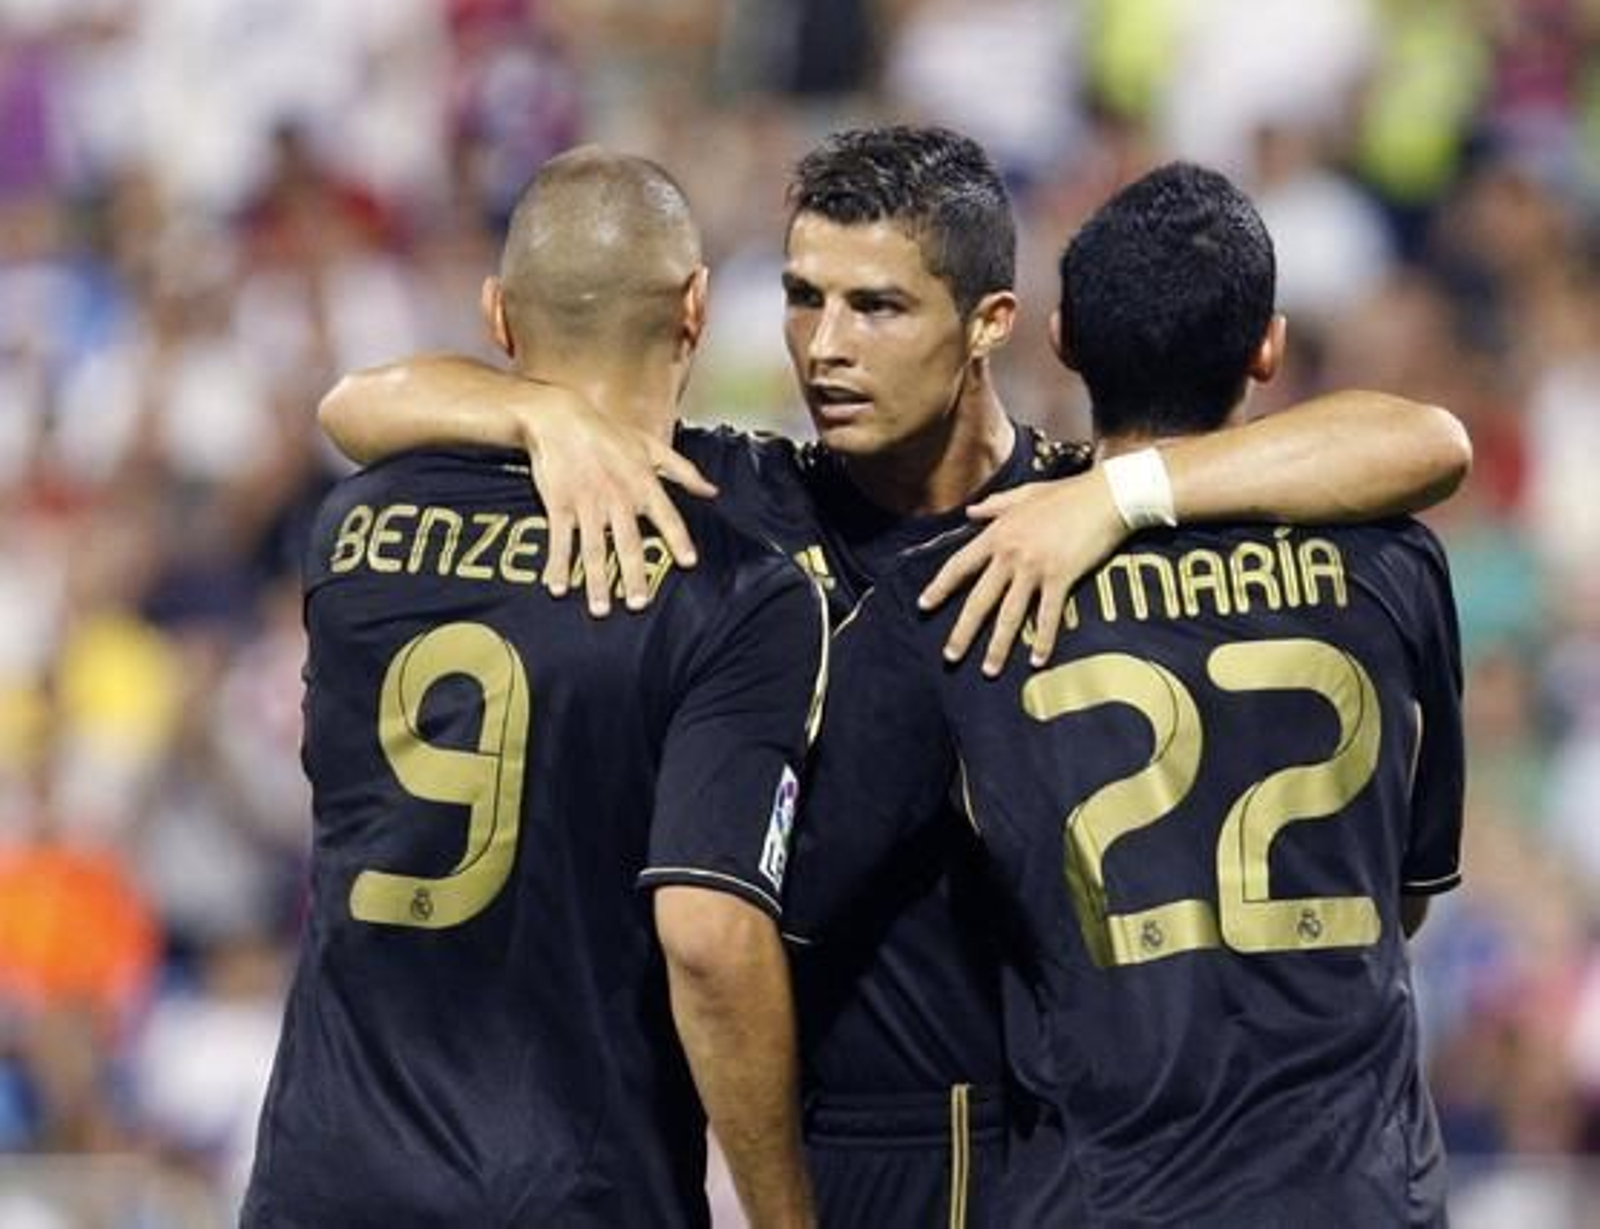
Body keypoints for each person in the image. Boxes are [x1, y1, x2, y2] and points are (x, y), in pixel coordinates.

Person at [316, 127, 1471, 1226]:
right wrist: (536, 412)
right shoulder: (730, 506)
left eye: (875, 305)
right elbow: (362, 405)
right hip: (842, 1142)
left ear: (992, 324)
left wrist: (1118, 498)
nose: (824, 345)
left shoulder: (1074, 514)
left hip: (1050, 1146)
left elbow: (1413, 444)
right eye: (802, 296)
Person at [790, 162, 1463, 1227]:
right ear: (1268, 347)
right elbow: (1409, 889)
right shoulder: (1391, 566)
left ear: (1056, 338)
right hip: (1363, 1189)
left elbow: (793, 901)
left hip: (1106, 1191)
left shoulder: (968, 593)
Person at [242, 149, 825, 1228]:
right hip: (568, 1189)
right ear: (695, 307)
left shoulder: (350, 531)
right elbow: (706, 936)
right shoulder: (734, 582)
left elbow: (357, 408)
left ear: (498, 317)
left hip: (320, 1181)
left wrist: (523, 413)